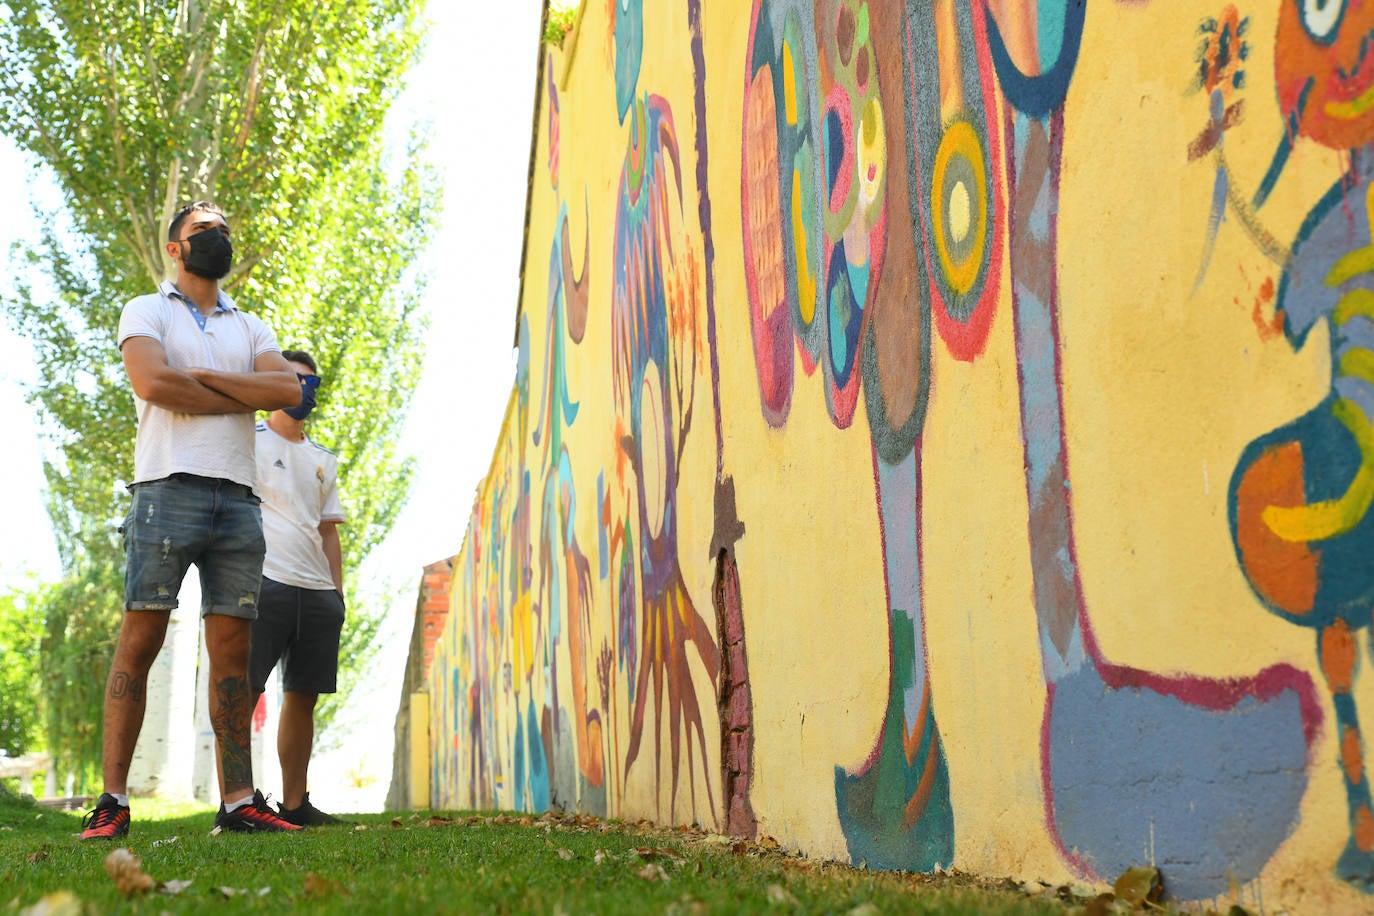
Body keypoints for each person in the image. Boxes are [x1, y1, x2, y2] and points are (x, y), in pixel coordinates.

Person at [81, 201, 306, 839]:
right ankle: (114, 801)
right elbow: (153, 384)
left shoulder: (253, 326)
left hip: (238, 498)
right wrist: (238, 388)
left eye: (224, 231)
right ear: (176, 248)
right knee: (140, 639)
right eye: (204, 230)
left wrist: (203, 377)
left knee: (232, 654)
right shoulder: (145, 310)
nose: (219, 239)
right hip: (165, 491)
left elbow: (288, 392)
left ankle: (238, 803)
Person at [249, 349, 349, 826]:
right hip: (262, 584)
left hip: (316, 593)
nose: (301, 386)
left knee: (302, 698)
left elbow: (329, 531)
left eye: (310, 380)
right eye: (292, 378)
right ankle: (238, 802)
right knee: (241, 693)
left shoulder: (322, 459)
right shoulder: (246, 440)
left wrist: (337, 594)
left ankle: (295, 805)